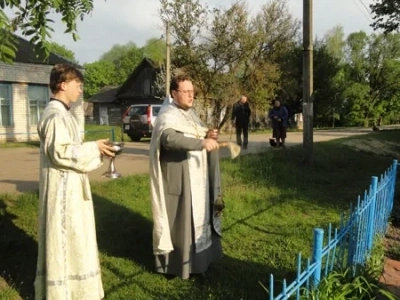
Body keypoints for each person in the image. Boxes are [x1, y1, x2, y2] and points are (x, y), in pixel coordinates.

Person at [34, 64, 116, 300]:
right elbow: (60, 152)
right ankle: (62, 293)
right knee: (66, 239)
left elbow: (71, 149)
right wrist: (94, 148)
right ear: (63, 84)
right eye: (77, 85)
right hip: (61, 192)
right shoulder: (54, 115)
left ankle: (79, 291)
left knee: (77, 239)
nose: (80, 90)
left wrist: (96, 149)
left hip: (71, 187)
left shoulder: (64, 114)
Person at [149, 74, 224, 280]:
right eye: (186, 91)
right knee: (180, 223)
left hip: (196, 176)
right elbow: (169, 139)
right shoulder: (167, 114)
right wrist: (201, 143)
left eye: (193, 92)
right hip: (178, 177)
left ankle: (199, 263)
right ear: (174, 93)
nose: (191, 95)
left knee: (198, 220)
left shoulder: (191, 114)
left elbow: (196, 134)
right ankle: (175, 267)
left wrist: (208, 136)